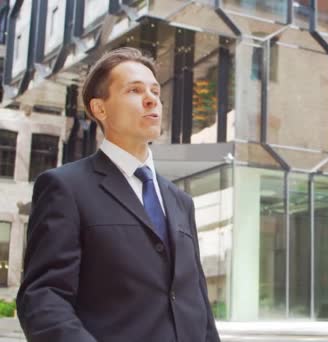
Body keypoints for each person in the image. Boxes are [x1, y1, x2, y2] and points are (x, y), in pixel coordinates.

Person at [17, 47, 220, 342]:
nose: (152, 99)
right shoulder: (65, 188)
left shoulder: (180, 201)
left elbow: (197, 300)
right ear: (100, 109)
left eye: (154, 90)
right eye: (134, 90)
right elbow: (43, 299)